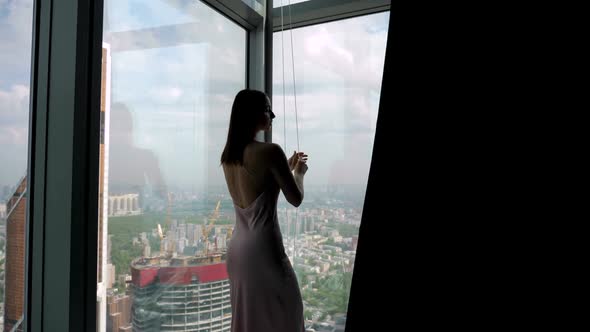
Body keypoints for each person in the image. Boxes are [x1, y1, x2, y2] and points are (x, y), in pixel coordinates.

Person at [221, 89, 308, 332]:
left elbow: (260, 184)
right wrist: (298, 173)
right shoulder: (270, 151)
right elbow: (296, 198)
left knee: (250, 320)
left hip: (238, 250)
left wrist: (285, 166)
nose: (273, 115)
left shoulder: (228, 156)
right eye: (267, 109)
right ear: (252, 114)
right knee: (288, 314)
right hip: (263, 249)